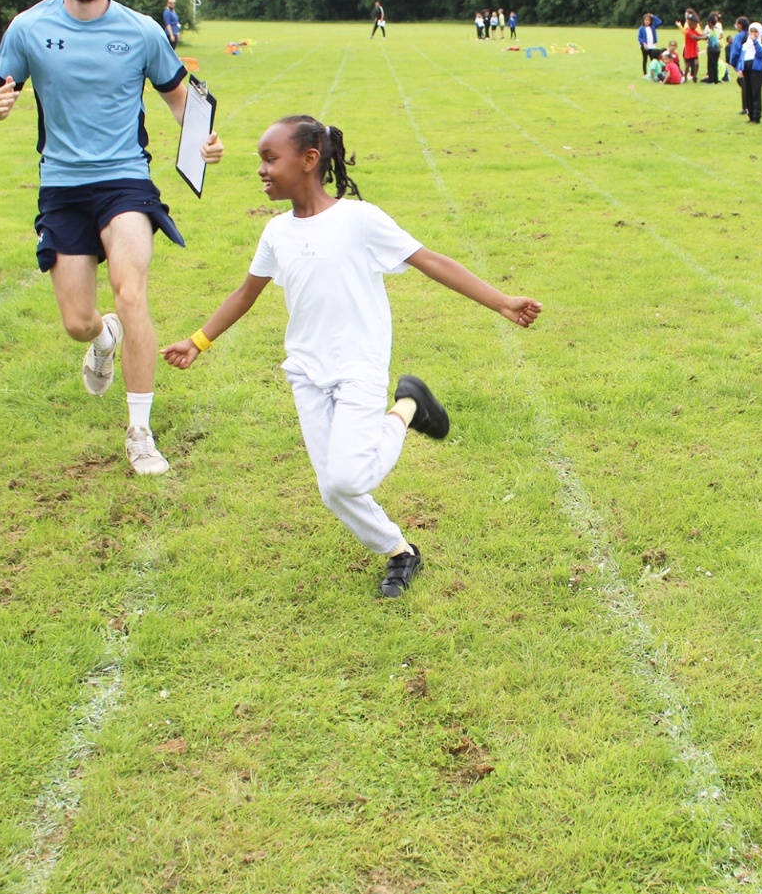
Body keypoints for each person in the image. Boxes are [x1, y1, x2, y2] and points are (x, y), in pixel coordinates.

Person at [161, 115, 541, 598]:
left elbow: (431, 262)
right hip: (305, 369)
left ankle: (408, 407)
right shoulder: (276, 232)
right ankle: (400, 550)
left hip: (358, 364)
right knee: (335, 489)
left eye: (270, 159)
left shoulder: (360, 220)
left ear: (309, 160)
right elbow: (245, 294)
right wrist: (197, 342)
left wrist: (502, 302)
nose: (261, 169)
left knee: (347, 475)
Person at [0, 0, 225, 475]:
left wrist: (205, 140)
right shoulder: (28, 27)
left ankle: (140, 432)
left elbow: (181, 99)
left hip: (125, 182)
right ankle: (104, 335)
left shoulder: (141, 31)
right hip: (62, 186)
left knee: (131, 291)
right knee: (77, 322)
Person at [734, 21, 762, 123]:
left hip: (756, 69)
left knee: (755, 92)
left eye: (755, 32)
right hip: (746, 69)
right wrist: (740, 68)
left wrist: (755, 42)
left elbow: (760, 54)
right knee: (748, 92)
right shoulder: (746, 44)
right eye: (751, 31)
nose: (753, 34)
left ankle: (757, 116)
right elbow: (742, 57)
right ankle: (751, 115)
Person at [677, 13, 704, 83]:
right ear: (690, 23)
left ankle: (694, 76)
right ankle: (685, 77)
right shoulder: (688, 32)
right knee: (687, 66)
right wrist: (704, 37)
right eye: (694, 24)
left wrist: (707, 35)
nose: (695, 26)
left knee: (696, 64)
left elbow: (700, 35)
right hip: (688, 51)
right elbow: (695, 37)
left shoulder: (694, 31)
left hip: (694, 51)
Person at [703, 11, 723, 84]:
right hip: (717, 48)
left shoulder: (712, 30)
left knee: (710, 65)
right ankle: (716, 80)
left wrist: (696, 37)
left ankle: (711, 80)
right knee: (715, 64)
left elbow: (706, 37)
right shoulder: (717, 28)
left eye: (708, 23)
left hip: (712, 49)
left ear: (710, 22)